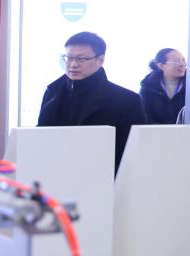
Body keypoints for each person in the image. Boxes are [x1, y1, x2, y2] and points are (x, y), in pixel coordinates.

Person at [37, 31, 145, 171]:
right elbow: (41, 139)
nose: (73, 64)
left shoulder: (127, 100)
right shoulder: (52, 93)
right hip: (54, 173)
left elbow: (132, 154)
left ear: (100, 60)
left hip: (103, 177)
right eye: (68, 58)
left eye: (81, 59)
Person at [139, 48, 187, 124]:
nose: (182, 64)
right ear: (161, 66)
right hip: (156, 130)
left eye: (183, 60)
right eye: (177, 61)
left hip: (187, 130)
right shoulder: (148, 86)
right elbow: (144, 116)